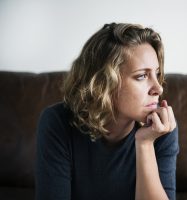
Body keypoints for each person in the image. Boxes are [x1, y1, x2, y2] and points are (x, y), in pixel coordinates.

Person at [35, 22, 179, 200]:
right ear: (104, 83)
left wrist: (145, 144)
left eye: (156, 74)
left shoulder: (161, 128)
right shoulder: (57, 122)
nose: (158, 88)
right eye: (142, 76)